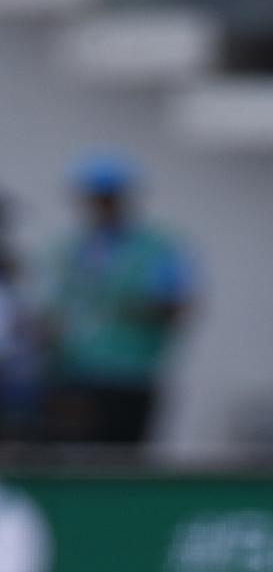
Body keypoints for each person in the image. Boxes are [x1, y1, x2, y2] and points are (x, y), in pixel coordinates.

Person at [40, 153, 195, 446]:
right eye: (93, 198)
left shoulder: (158, 248)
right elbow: (53, 308)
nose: (100, 207)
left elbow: (178, 306)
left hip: (131, 377)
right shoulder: (70, 248)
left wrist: (134, 307)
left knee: (121, 459)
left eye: (107, 198)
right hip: (74, 374)